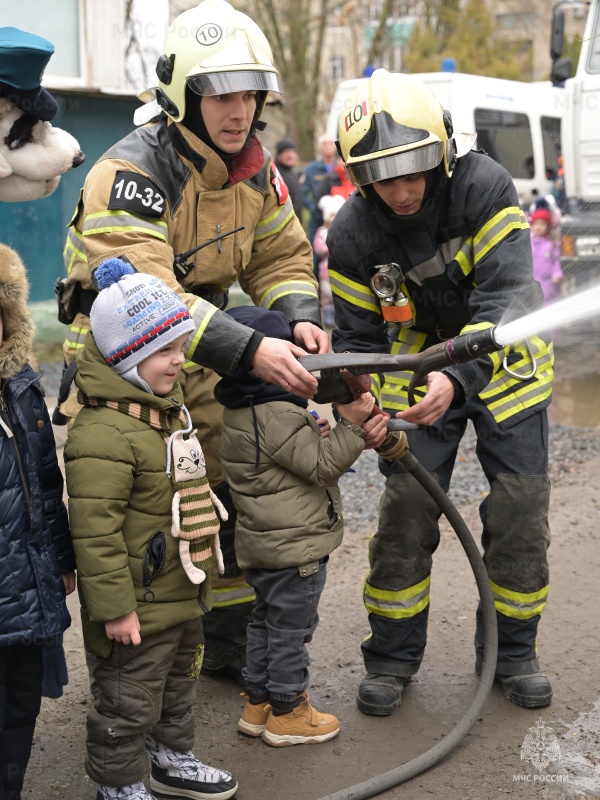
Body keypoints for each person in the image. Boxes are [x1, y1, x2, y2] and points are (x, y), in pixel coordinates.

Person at [59, 0, 329, 686]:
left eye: (247, 93)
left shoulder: (256, 173)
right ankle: (131, 682)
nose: (237, 111)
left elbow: (281, 258)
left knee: (218, 494)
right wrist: (253, 351)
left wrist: (297, 314)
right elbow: (147, 304)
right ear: (183, 94)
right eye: (218, 94)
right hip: (126, 362)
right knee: (144, 513)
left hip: (198, 347)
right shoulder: (132, 174)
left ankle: (222, 649)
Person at [327, 69, 554, 716]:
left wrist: (455, 380)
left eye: (413, 172)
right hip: (416, 373)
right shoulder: (352, 236)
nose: (399, 191)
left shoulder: (485, 186)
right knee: (404, 510)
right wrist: (360, 403)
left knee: (519, 508)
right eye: (381, 176)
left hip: (501, 366)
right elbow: (360, 339)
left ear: (443, 154)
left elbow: (508, 299)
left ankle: (512, 653)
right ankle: (393, 658)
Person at [64, 258, 238, 800]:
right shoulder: (103, 433)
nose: (179, 363)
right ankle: (116, 785)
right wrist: (114, 607)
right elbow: (94, 536)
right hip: (135, 603)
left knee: (180, 682)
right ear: (127, 357)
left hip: (179, 590)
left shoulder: (164, 412)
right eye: (165, 351)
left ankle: (172, 759)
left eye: (182, 348)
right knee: (126, 697)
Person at [214, 305, 381, 746]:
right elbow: (323, 467)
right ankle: (289, 712)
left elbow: (283, 460)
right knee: (291, 632)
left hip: (264, 548)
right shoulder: (279, 414)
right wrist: (353, 425)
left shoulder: (240, 411)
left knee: (263, 624)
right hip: (296, 552)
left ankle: (259, 704)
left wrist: (317, 431)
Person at [0, 242, 76, 799]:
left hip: (25, 589)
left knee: (19, 706)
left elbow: (47, 485)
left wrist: (62, 558)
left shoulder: (22, 389)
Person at [313, 193, 346, 327]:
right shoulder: (322, 232)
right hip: (325, 271)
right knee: (327, 294)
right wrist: (330, 246)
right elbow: (318, 248)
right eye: (331, 215)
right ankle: (327, 314)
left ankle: (339, 315)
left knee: (339, 294)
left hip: (341, 270)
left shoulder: (344, 231)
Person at [303, 133, 339, 250]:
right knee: (316, 254)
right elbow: (303, 193)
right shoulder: (311, 169)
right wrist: (314, 208)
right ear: (319, 148)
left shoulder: (342, 167)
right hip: (317, 221)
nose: (328, 146)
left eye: (331, 143)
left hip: (339, 219)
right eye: (324, 144)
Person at [530, 207, 564, 305]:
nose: (538, 227)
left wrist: (556, 274)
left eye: (542, 224)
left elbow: (555, 262)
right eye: (536, 224)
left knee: (548, 303)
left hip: (547, 283)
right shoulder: (528, 243)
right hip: (533, 282)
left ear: (548, 226)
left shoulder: (551, 244)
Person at [274, 136, 304, 220]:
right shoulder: (274, 174)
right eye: (287, 151)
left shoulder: (294, 173)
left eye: (293, 152)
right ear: (279, 154)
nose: (290, 155)